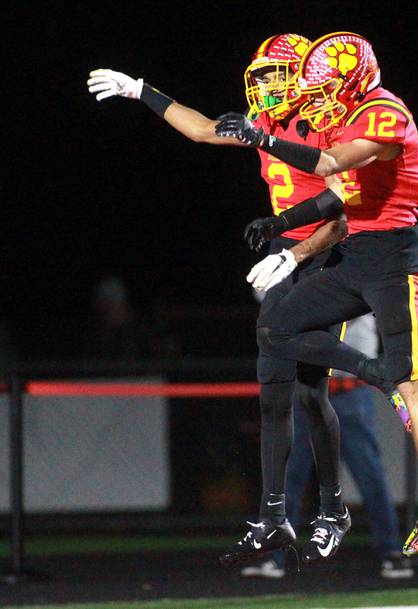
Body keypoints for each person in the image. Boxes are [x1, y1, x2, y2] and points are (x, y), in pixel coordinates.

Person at [86, 35, 396, 566]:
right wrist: (142, 93)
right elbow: (205, 130)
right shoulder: (269, 124)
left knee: (308, 391)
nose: (268, 86)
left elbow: (345, 214)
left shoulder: (329, 126)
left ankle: (336, 493)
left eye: (279, 75)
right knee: (277, 391)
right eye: (265, 76)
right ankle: (274, 515)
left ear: (305, 75)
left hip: (322, 253)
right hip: (283, 248)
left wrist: (294, 256)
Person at [215, 31, 418, 557]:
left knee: (411, 374)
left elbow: (329, 166)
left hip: (395, 254)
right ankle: (373, 375)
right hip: (352, 252)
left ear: (353, 81)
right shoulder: (339, 115)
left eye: (327, 87)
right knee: (276, 329)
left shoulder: (386, 110)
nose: (319, 99)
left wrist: (262, 139)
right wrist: (283, 228)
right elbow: (335, 198)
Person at [242, 313, 413, 579]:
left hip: (350, 392)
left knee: (368, 475)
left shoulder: (355, 276)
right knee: (289, 476)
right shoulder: (301, 276)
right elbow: (265, 293)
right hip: (307, 389)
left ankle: (391, 553)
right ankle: (274, 557)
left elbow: (346, 308)